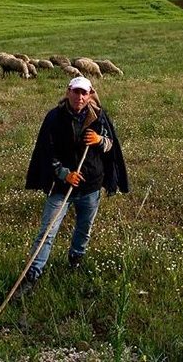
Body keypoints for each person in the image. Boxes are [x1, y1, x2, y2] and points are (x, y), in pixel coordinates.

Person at [20, 76, 129, 293]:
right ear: (68, 92)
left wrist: (99, 140)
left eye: (84, 93)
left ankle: (75, 261)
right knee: (47, 232)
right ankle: (32, 276)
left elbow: (111, 146)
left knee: (84, 228)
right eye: (76, 92)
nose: (80, 97)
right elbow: (46, 151)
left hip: (91, 187)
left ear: (90, 95)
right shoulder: (54, 117)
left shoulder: (98, 117)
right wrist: (63, 173)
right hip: (62, 188)